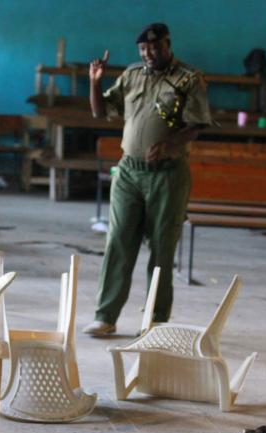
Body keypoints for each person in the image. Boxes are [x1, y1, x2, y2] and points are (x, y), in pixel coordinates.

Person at [82, 22, 212, 337]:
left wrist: (170, 144)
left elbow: (198, 124)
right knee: (119, 242)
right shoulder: (131, 75)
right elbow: (101, 112)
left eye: (154, 48)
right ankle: (105, 315)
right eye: (143, 49)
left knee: (161, 249)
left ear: (168, 44)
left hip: (167, 176)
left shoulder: (188, 79)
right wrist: (95, 83)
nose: (149, 54)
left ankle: (155, 320)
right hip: (129, 171)